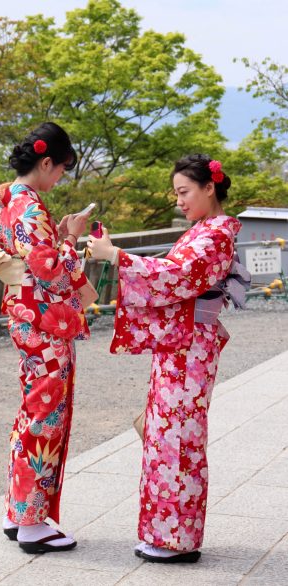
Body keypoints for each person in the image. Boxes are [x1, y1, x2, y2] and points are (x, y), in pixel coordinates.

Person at [87, 154, 249, 564]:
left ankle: (176, 538)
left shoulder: (214, 235)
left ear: (209, 188)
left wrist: (116, 257)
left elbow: (172, 276)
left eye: (184, 192)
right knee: (167, 435)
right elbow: (169, 272)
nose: (179, 201)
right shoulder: (203, 231)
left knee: (178, 437)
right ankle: (165, 532)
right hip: (182, 344)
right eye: (176, 193)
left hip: (190, 345)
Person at [0, 122, 92, 554]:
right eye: (60, 169)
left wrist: (58, 237)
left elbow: (34, 257)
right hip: (44, 322)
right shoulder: (29, 206)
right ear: (46, 163)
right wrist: (74, 237)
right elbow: (53, 273)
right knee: (46, 416)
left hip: (25, 315)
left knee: (32, 411)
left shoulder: (9, 200)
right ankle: (32, 523)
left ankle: (17, 510)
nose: (59, 177)